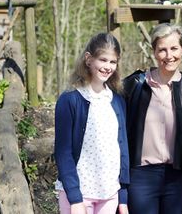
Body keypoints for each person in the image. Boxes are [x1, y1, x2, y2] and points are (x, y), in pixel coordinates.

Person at [123, 23, 182, 214]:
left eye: (174, 48)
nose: (169, 56)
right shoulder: (134, 85)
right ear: (154, 52)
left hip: (176, 177)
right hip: (141, 176)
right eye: (162, 50)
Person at [54, 33, 130, 214]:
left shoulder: (117, 100)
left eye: (113, 62)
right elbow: (63, 152)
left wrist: (123, 196)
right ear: (88, 59)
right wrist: (75, 198)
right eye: (103, 60)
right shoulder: (70, 100)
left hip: (109, 194)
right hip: (80, 194)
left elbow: (122, 149)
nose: (108, 67)